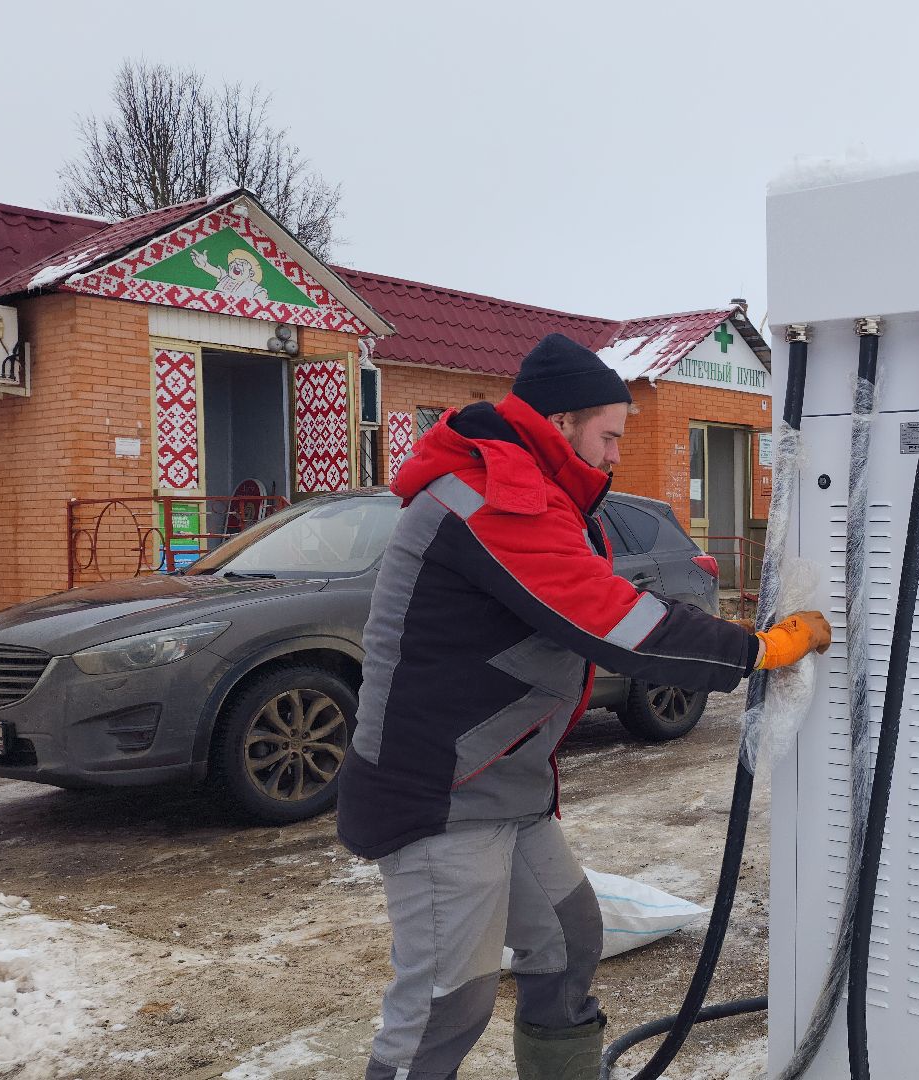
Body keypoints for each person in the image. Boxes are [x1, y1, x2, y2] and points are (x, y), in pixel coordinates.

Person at [338, 333, 830, 1080]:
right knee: (446, 1005)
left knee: (567, 942)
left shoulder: (531, 496)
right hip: (441, 790)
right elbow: (612, 622)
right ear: (561, 422)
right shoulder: (487, 495)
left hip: (505, 786)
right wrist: (758, 650)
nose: (611, 457)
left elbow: (606, 601)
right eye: (607, 436)